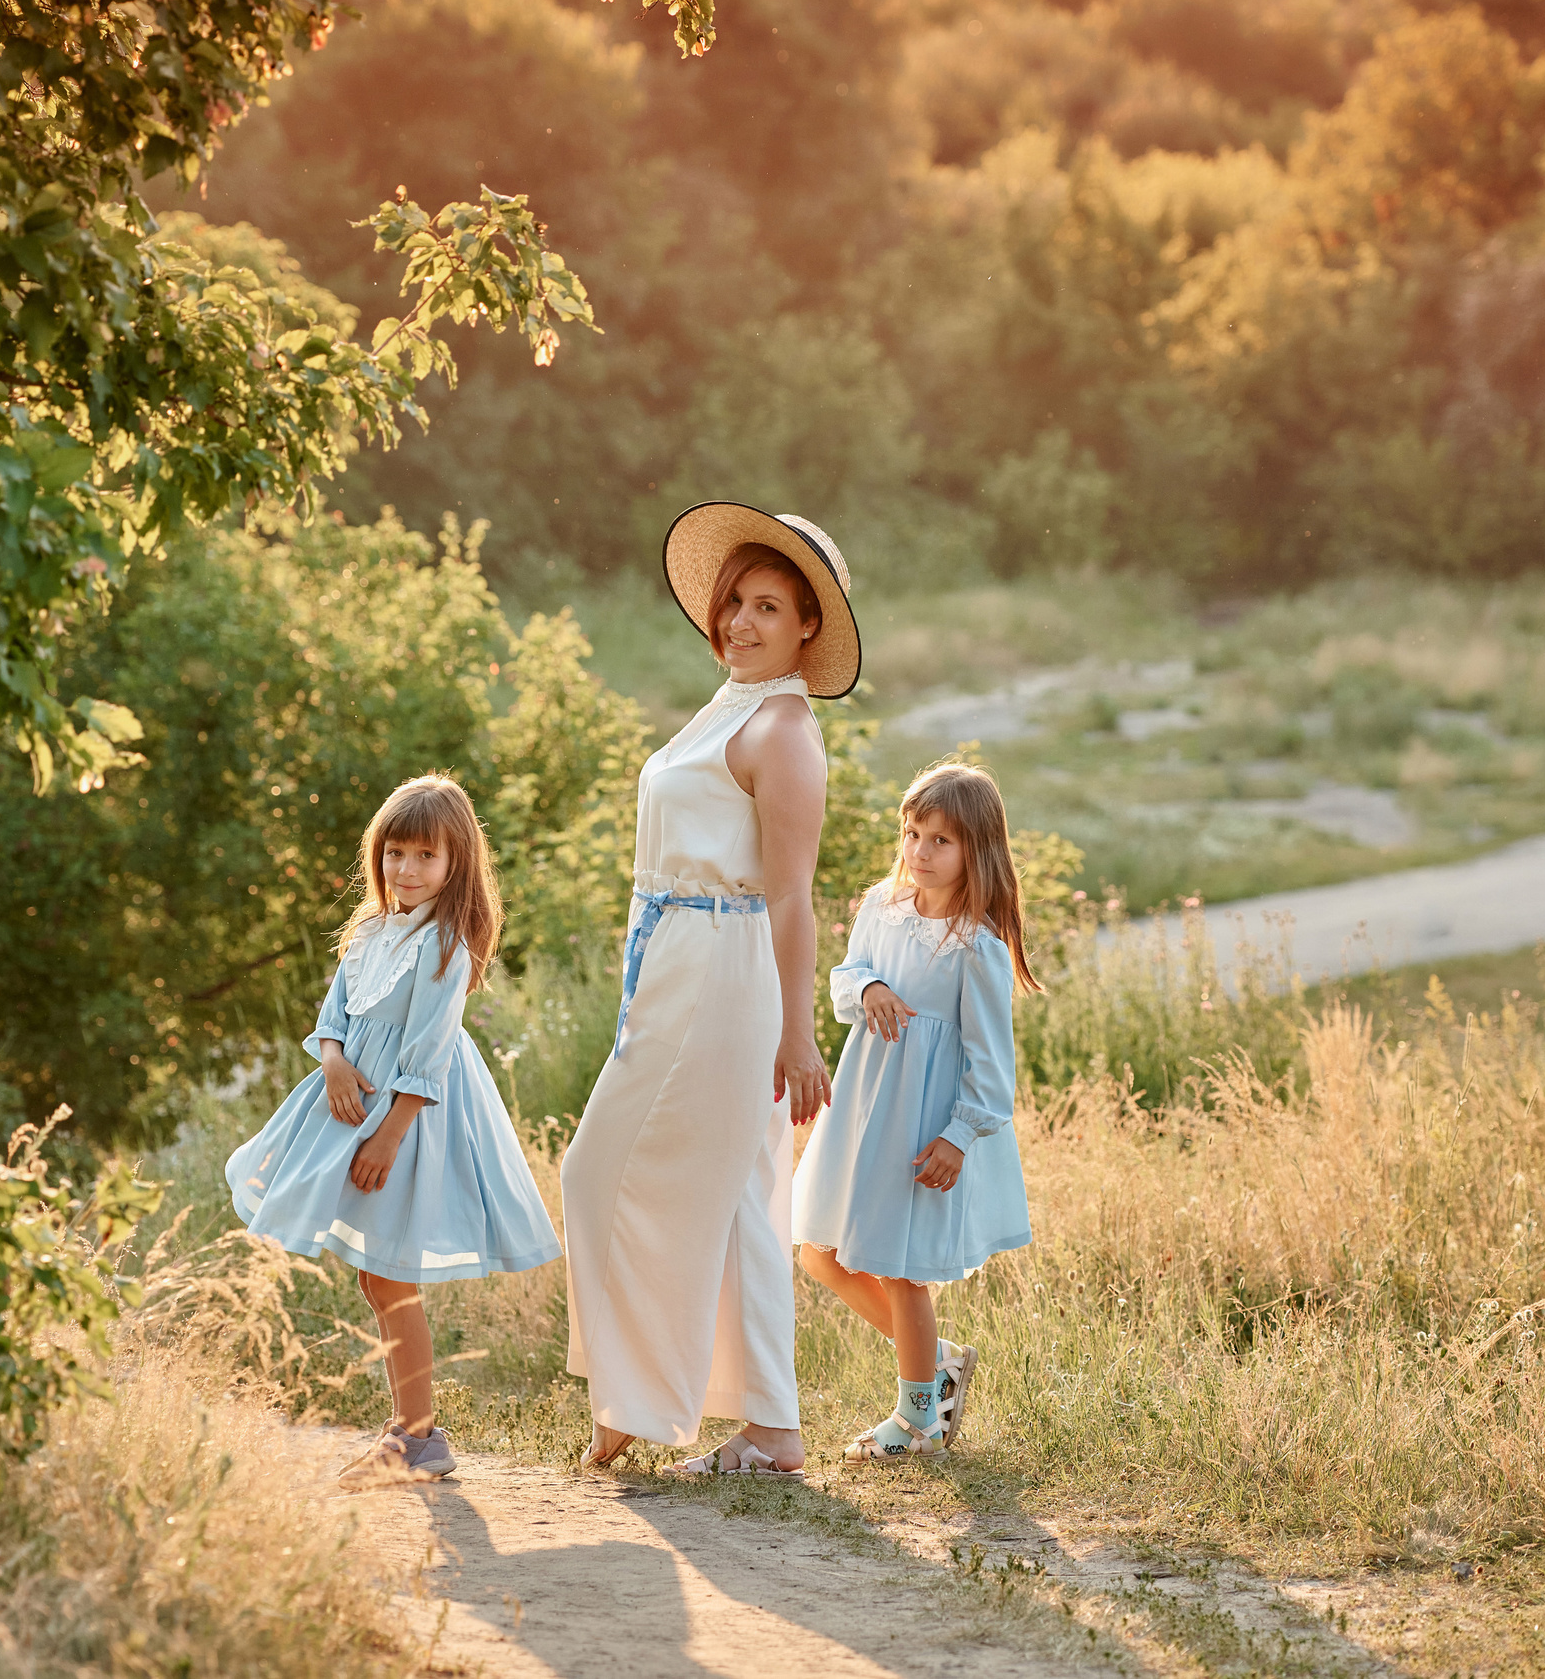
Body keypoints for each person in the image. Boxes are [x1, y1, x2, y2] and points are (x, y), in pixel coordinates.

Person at [564, 502, 861, 1477]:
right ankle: (767, 1428)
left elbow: (791, 899)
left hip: (724, 969)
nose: (739, 621)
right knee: (738, 1200)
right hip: (677, 956)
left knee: (594, 1170)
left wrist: (799, 1032)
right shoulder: (730, 705)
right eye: (733, 601)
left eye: (766, 606)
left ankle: (636, 1399)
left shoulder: (782, 730)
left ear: (806, 625)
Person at [226, 774, 561, 1481]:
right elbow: (333, 1014)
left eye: (425, 857)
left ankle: (418, 1435)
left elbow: (432, 1051)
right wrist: (334, 1063)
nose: (406, 871)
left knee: (390, 1272)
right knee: (373, 1278)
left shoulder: (444, 943)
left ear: (456, 863)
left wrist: (389, 1134)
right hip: (351, 1099)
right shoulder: (373, 928)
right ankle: (409, 1427)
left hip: (407, 1116)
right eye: (394, 854)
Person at [794, 762, 1041, 1461]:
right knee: (819, 1252)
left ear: (977, 851)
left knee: (902, 1269)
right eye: (913, 833)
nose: (921, 852)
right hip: (865, 1109)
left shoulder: (977, 947)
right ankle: (938, 1363)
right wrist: (867, 984)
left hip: (923, 1125)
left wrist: (958, 1136)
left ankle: (918, 1421)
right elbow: (845, 979)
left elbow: (993, 1067)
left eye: (940, 840)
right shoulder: (884, 906)